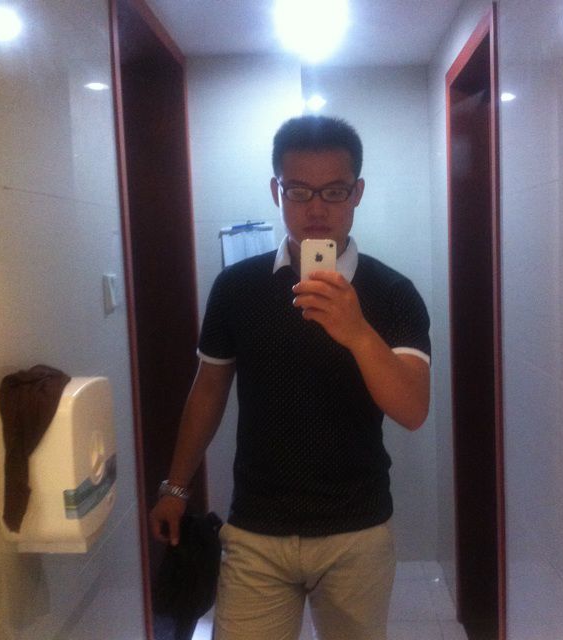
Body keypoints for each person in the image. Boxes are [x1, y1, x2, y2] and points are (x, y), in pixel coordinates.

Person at [149, 115, 431, 640]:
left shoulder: (393, 292)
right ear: (276, 191)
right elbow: (209, 389)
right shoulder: (236, 287)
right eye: (299, 191)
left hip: (357, 529)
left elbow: (413, 409)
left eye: (334, 191)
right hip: (257, 528)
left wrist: (357, 333)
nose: (316, 209)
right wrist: (175, 486)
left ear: (357, 193)